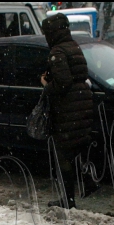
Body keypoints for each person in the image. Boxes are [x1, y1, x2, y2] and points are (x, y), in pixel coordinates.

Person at [40, 13, 97, 209]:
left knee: (63, 154)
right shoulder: (73, 46)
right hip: (81, 103)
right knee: (75, 148)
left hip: (67, 107)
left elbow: (63, 83)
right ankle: (88, 181)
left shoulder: (58, 51)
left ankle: (68, 200)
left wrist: (46, 85)